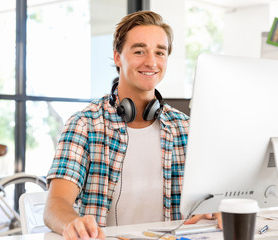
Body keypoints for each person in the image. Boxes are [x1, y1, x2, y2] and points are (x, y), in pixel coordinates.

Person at [43, 10, 220, 240]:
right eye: (139, 51)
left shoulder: (186, 128)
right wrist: (73, 223)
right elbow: (55, 204)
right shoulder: (84, 124)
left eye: (160, 52)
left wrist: (216, 209)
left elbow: (211, 198)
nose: (151, 62)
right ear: (117, 57)